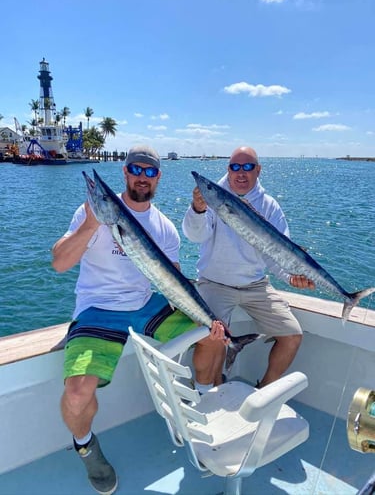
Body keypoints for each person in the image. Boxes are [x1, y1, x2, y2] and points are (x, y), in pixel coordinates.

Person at [52, 145, 226, 495]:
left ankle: (205, 404)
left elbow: (173, 280)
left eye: (150, 171)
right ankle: (86, 446)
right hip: (97, 309)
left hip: (146, 304)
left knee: (213, 335)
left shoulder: (164, 228)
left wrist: (206, 319)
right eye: (136, 169)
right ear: (125, 172)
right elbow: (59, 262)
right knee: (76, 392)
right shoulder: (91, 213)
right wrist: (90, 225)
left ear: (157, 177)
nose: (142, 177)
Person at [182, 145, 315, 389]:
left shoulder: (270, 206)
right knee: (213, 336)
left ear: (258, 171)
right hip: (214, 283)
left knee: (292, 335)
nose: (241, 173)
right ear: (228, 169)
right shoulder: (213, 196)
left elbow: (276, 252)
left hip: (256, 286)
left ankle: (262, 391)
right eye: (235, 167)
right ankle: (208, 390)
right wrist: (198, 210)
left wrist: (291, 277)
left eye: (247, 167)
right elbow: (195, 235)